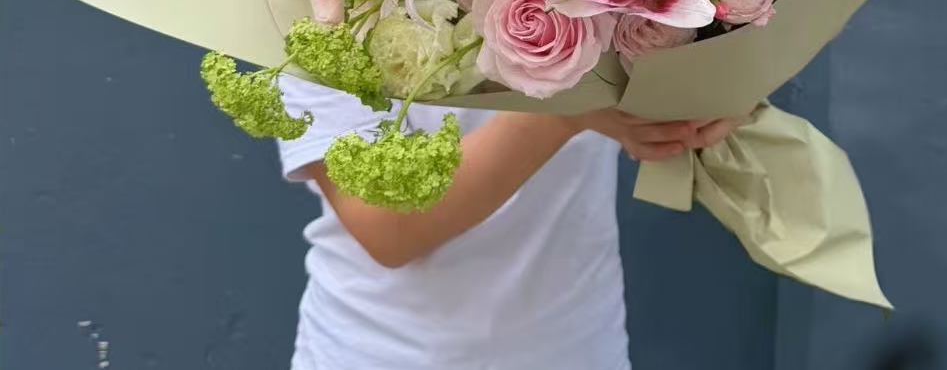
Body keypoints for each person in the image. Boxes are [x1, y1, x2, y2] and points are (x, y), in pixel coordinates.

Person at [277, 74, 743, 370]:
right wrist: (564, 110)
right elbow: (387, 227)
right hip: (389, 352)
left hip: (576, 345)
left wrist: (716, 86)